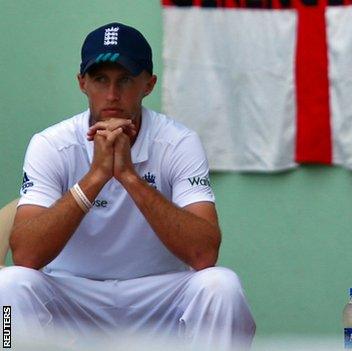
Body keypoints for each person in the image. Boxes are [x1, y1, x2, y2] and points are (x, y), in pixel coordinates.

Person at [0, 23, 255, 349]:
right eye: (100, 79)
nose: (112, 95)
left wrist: (130, 177)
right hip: (74, 296)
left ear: (149, 84)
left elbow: (205, 253)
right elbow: (25, 253)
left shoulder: (178, 143)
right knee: (8, 286)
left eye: (125, 80)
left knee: (222, 285)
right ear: (82, 83)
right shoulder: (52, 144)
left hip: (157, 298)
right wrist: (95, 177)